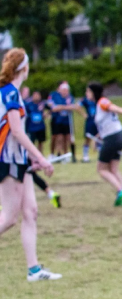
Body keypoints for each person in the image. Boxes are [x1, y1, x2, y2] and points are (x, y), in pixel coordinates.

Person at [0, 48, 62, 281]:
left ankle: (34, 270)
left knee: (31, 211)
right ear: (23, 68)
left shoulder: (11, 93)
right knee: (8, 218)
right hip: (7, 160)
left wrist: (31, 158)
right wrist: (41, 156)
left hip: (19, 160)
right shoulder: (10, 94)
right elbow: (15, 131)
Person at [89, 83, 122, 206]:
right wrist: (97, 137)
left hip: (113, 138)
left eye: (88, 91)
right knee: (113, 169)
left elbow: (114, 108)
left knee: (101, 169)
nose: (86, 94)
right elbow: (106, 123)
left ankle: (120, 190)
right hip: (117, 136)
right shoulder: (99, 104)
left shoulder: (103, 101)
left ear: (93, 92)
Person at [21, 88, 60, 208]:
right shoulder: (25, 106)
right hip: (14, 151)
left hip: (17, 151)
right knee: (28, 174)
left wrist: (35, 159)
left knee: (28, 174)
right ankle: (50, 193)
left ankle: (50, 193)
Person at [47, 81, 74, 158]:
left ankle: (64, 154)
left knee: (66, 137)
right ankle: (53, 153)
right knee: (56, 137)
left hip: (66, 121)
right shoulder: (54, 95)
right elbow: (53, 108)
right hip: (56, 120)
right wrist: (64, 107)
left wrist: (61, 107)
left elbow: (72, 106)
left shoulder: (69, 97)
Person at [77, 87, 98, 163]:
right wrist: (84, 114)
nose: (86, 93)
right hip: (90, 121)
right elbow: (78, 106)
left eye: (88, 91)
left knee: (100, 138)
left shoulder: (98, 99)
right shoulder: (85, 100)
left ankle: (101, 155)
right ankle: (85, 155)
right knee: (88, 138)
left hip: (98, 121)